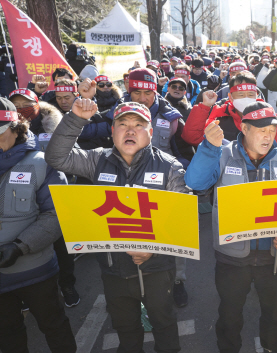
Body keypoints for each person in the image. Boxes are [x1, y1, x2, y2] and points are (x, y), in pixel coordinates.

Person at [45, 100, 188, 353]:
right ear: (112, 131)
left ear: (150, 133)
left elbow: (181, 219)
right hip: (113, 269)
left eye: (138, 125)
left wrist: (152, 249)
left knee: (164, 324)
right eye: (122, 124)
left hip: (156, 268)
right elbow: (56, 157)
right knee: (125, 328)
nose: (130, 131)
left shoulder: (169, 165)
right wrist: (76, 118)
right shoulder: (97, 160)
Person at [184, 101, 277, 353]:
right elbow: (195, 183)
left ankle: (272, 348)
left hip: (274, 257)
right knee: (230, 314)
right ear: (244, 128)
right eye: (261, 129)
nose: (268, 136)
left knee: (276, 312)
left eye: (271, 130)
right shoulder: (221, 153)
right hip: (232, 256)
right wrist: (209, 148)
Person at [0, 97, 76, 352]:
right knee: (8, 334)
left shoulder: (42, 164)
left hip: (36, 270)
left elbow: (56, 215)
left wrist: (20, 247)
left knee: (54, 326)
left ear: (15, 127)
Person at [181, 72, 277, 155]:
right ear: (230, 97)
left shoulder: (268, 119)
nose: (246, 99)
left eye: (251, 95)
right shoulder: (219, 116)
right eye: (241, 95)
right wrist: (205, 107)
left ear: (257, 96)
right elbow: (192, 138)